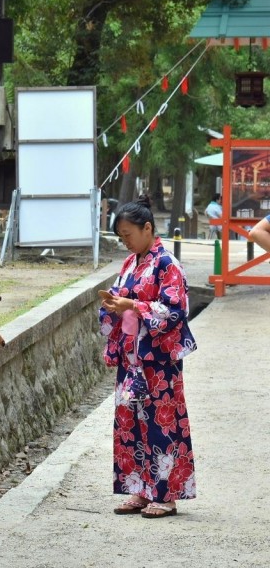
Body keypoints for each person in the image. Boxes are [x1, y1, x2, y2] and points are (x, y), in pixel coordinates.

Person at [99, 194, 198, 518]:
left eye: (128, 235)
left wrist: (133, 306)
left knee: (161, 424)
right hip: (132, 358)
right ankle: (138, 488)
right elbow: (124, 297)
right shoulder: (131, 263)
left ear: (147, 228)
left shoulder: (167, 264)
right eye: (121, 237)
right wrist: (115, 304)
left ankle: (165, 495)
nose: (125, 241)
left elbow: (174, 312)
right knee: (130, 423)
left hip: (157, 360)